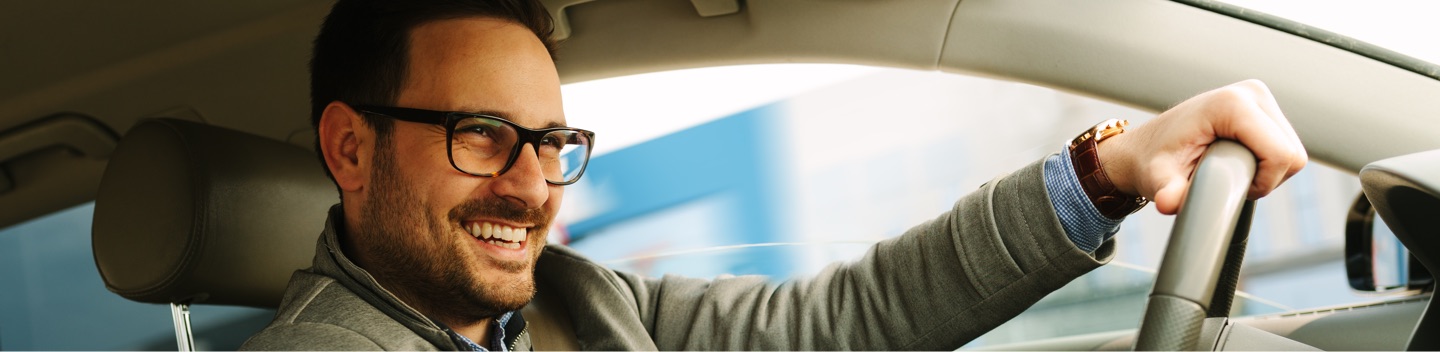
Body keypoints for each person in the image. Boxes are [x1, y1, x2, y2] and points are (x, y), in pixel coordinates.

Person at [240, 0, 1307, 350]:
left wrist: (1111, 170)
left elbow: (842, 316)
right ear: (351, 148)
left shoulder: (580, 303)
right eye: (481, 134)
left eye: (553, 141)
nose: (530, 186)